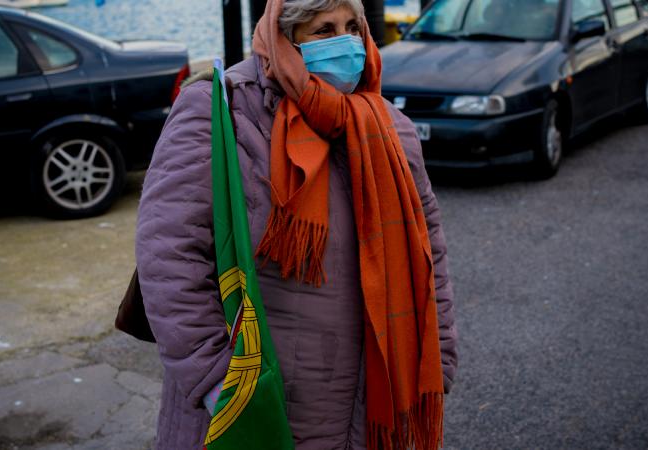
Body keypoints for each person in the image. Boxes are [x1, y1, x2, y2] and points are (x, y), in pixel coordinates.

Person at [135, 0, 457, 448]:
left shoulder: (387, 127)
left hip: (370, 404)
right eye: (323, 30)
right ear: (283, 38)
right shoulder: (221, 113)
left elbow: (429, 249)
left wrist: (436, 356)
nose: (344, 42)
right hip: (260, 405)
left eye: (352, 27)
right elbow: (168, 256)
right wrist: (219, 384)